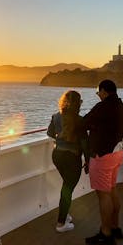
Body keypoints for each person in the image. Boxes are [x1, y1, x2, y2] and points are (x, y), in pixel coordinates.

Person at [83, 79, 123, 245]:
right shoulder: (122, 107)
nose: (98, 96)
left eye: (98, 93)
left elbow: (84, 123)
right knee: (112, 189)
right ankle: (115, 227)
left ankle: (105, 233)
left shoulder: (103, 107)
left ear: (103, 91)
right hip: (117, 153)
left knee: (103, 195)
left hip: (103, 156)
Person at [46, 90, 88, 233]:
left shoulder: (56, 116)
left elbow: (50, 133)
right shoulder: (80, 120)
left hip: (57, 155)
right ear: (78, 103)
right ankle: (61, 223)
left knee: (66, 187)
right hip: (72, 157)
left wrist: (60, 135)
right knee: (67, 189)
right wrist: (88, 161)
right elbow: (84, 143)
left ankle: (64, 214)